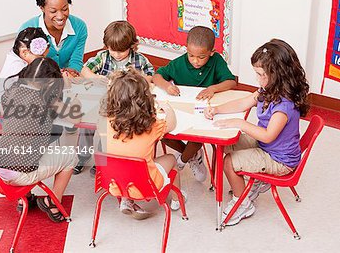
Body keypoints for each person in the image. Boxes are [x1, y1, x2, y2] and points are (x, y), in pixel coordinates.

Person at [204, 39, 310, 226]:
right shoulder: (268, 89)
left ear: (278, 74)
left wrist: (240, 123)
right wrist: (217, 109)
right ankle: (246, 185)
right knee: (226, 141)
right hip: (268, 147)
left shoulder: (283, 106)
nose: (258, 79)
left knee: (229, 162)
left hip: (279, 159)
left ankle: (243, 204)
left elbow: (268, 135)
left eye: (261, 74)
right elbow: (244, 102)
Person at [0, 57, 82, 222]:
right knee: (71, 156)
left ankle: (24, 197)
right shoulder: (47, 99)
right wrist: (69, 89)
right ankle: (53, 203)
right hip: (20, 174)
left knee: (24, 143)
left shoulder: (12, 90)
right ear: (50, 82)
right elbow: (75, 118)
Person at [152, 26, 236, 182]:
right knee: (161, 134)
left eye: (201, 57)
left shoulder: (216, 61)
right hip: (181, 112)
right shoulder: (179, 63)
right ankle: (192, 156)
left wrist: (213, 88)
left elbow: (231, 82)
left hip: (204, 113)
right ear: (186, 50)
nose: (195, 61)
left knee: (197, 137)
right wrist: (167, 86)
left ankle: (183, 160)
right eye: (191, 55)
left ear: (211, 52)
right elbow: (157, 77)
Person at [97, 68, 184, 220]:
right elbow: (172, 124)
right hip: (146, 187)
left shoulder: (103, 121)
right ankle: (177, 199)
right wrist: (168, 107)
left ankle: (126, 199)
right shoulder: (151, 125)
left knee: (125, 159)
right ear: (144, 98)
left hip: (113, 183)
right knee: (171, 158)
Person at [73, 20, 155, 175]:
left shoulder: (139, 60)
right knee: (86, 128)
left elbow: (150, 77)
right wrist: (98, 79)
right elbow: (84, 71)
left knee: (109, 130)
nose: (117, 54)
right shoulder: (103, 57)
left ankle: (101, 159)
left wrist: (138, 81)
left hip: (123, 106)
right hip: (101, 101)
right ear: (107, 46)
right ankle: (82, 157)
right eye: (113, 50)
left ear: (131, 45)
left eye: (121, 51)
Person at [19, 0, 87, 77]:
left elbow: (76, 61)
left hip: (68, 79)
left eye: (65, 9)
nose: (60, 16)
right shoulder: (27, 31)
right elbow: (27, 68)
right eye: (53, 11)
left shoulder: (79, 27)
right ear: (42, 8)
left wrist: (71, 73)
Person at [0, 27, 49, 102]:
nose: (42, 61)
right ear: (25, 52)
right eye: (41, 57)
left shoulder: (18, 55)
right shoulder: (18, 69)